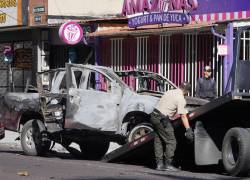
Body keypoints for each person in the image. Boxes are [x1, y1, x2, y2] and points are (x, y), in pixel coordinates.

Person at [150, 82, 194, 171]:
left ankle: (159, 164)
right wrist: (188, 129)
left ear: (179, 86)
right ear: (187, 92)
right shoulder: (181, 98)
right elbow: (183, 116)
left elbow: (168, 106)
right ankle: (168, 164)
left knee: (158, 140)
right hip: (162, 120)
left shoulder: (169, 91)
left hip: (153, 116)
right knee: (171, 141)